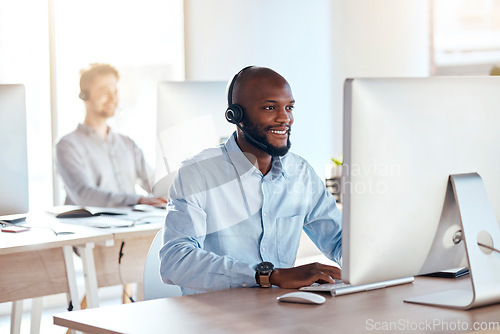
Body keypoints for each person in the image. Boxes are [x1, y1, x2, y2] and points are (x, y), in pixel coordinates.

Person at [160, 66, 342, 295]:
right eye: (270, 107)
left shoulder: (301, 173)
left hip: (279, 311)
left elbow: (339, 239)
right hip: (214, 318)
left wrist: (372, 265)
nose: (285, 118)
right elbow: (175, 260)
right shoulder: (198, 174)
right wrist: (268, 276)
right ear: (236, 116)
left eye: (289, 107)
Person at [55, 63, 167, 207]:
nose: (113, 98)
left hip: (132, 225)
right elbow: (84, 195)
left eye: (115, 92)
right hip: (93, 227)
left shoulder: (127, 143)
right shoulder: (68, 145)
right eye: (105, 92)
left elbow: (155, 184)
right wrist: (138, 200)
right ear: (84, 95)